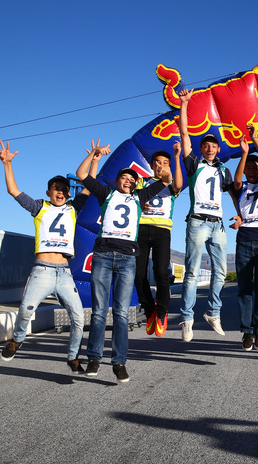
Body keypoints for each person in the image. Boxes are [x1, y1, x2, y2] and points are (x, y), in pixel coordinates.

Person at [75, 141, 172, 382]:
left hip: (128, 257)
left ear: (136, 182)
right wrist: (95, 156)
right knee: (98, 312)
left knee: (120, 313)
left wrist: (162, 168)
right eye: (124, 177)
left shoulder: (140, 196)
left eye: (132, 178)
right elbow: (81, 175)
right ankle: (94, 358)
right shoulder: (106, 194)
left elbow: (167, 181)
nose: (128, 180)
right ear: (117, 180)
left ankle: (119, 362)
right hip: (103, 256)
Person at [0, 140, 91, 373]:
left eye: (64, 189)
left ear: (68, 193)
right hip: (42, 270)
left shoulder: (73, 208)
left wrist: (94, 159)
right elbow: (13, 191)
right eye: (56, 189)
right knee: (26, 310)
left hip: (65, 273)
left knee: (78, 317)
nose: (60, 192)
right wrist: (8, 164)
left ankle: (73, 357)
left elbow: (88, 186)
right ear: (48, 192)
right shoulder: (39, 207)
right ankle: (17, 339)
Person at [177, 88, 234, 342]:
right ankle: (187, 319)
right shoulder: (194, 164)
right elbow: (184, 133)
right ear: (201, 149)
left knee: (220, 272)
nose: (210, 149)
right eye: (206, 145)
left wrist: (241, 215)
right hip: (198, 221)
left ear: (218, 149)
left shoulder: (224, 170)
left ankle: (213, 313)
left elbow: (234, 193)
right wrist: (184, 104)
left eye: (213, 146)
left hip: (218, 226)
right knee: (191, 272)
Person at [229, 125, 258, 351]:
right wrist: (244, 153)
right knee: (245, 289)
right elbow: (236, 180)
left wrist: (256, 139)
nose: (250, 169)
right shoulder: (241, 186)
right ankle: (246, 332)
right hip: (244, 240)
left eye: (253, 167)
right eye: (247, 167)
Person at [135, 142, 183, 338]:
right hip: (141, 230)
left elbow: (178, 185)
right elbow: (135, 198)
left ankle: (162, 312)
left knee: (162, 273)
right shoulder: (142, 180)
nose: (161, 165)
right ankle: (149, 311)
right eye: (157, 162)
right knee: (138, 275)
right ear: (152, 165)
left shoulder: (171, 182)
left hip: (162, 230)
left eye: (165, 162)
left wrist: (177, 157)